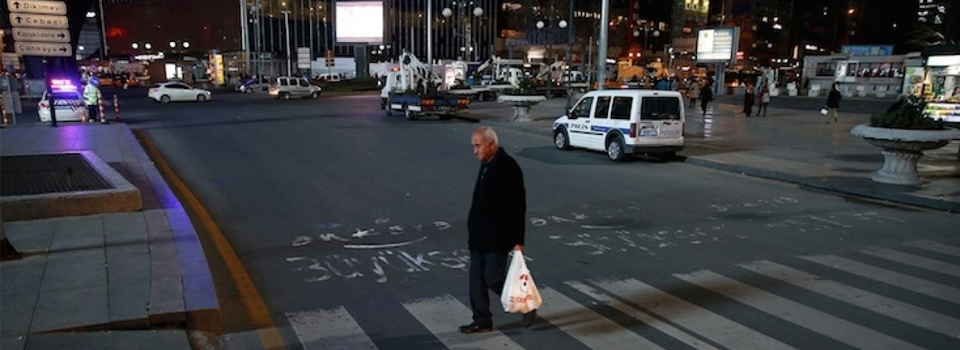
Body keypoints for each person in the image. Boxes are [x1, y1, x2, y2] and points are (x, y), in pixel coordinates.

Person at [459, 126, 533, 334]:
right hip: (478, 236)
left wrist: (517, 238)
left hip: (497, 237)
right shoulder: (486, 164)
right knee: (476, 283)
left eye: (478, 146)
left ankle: (525, 304)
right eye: (473, 146)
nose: (475, 151)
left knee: (492, 278)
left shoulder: (507, 167)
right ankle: (482, 321)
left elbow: (518, 205)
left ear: (491, 144)